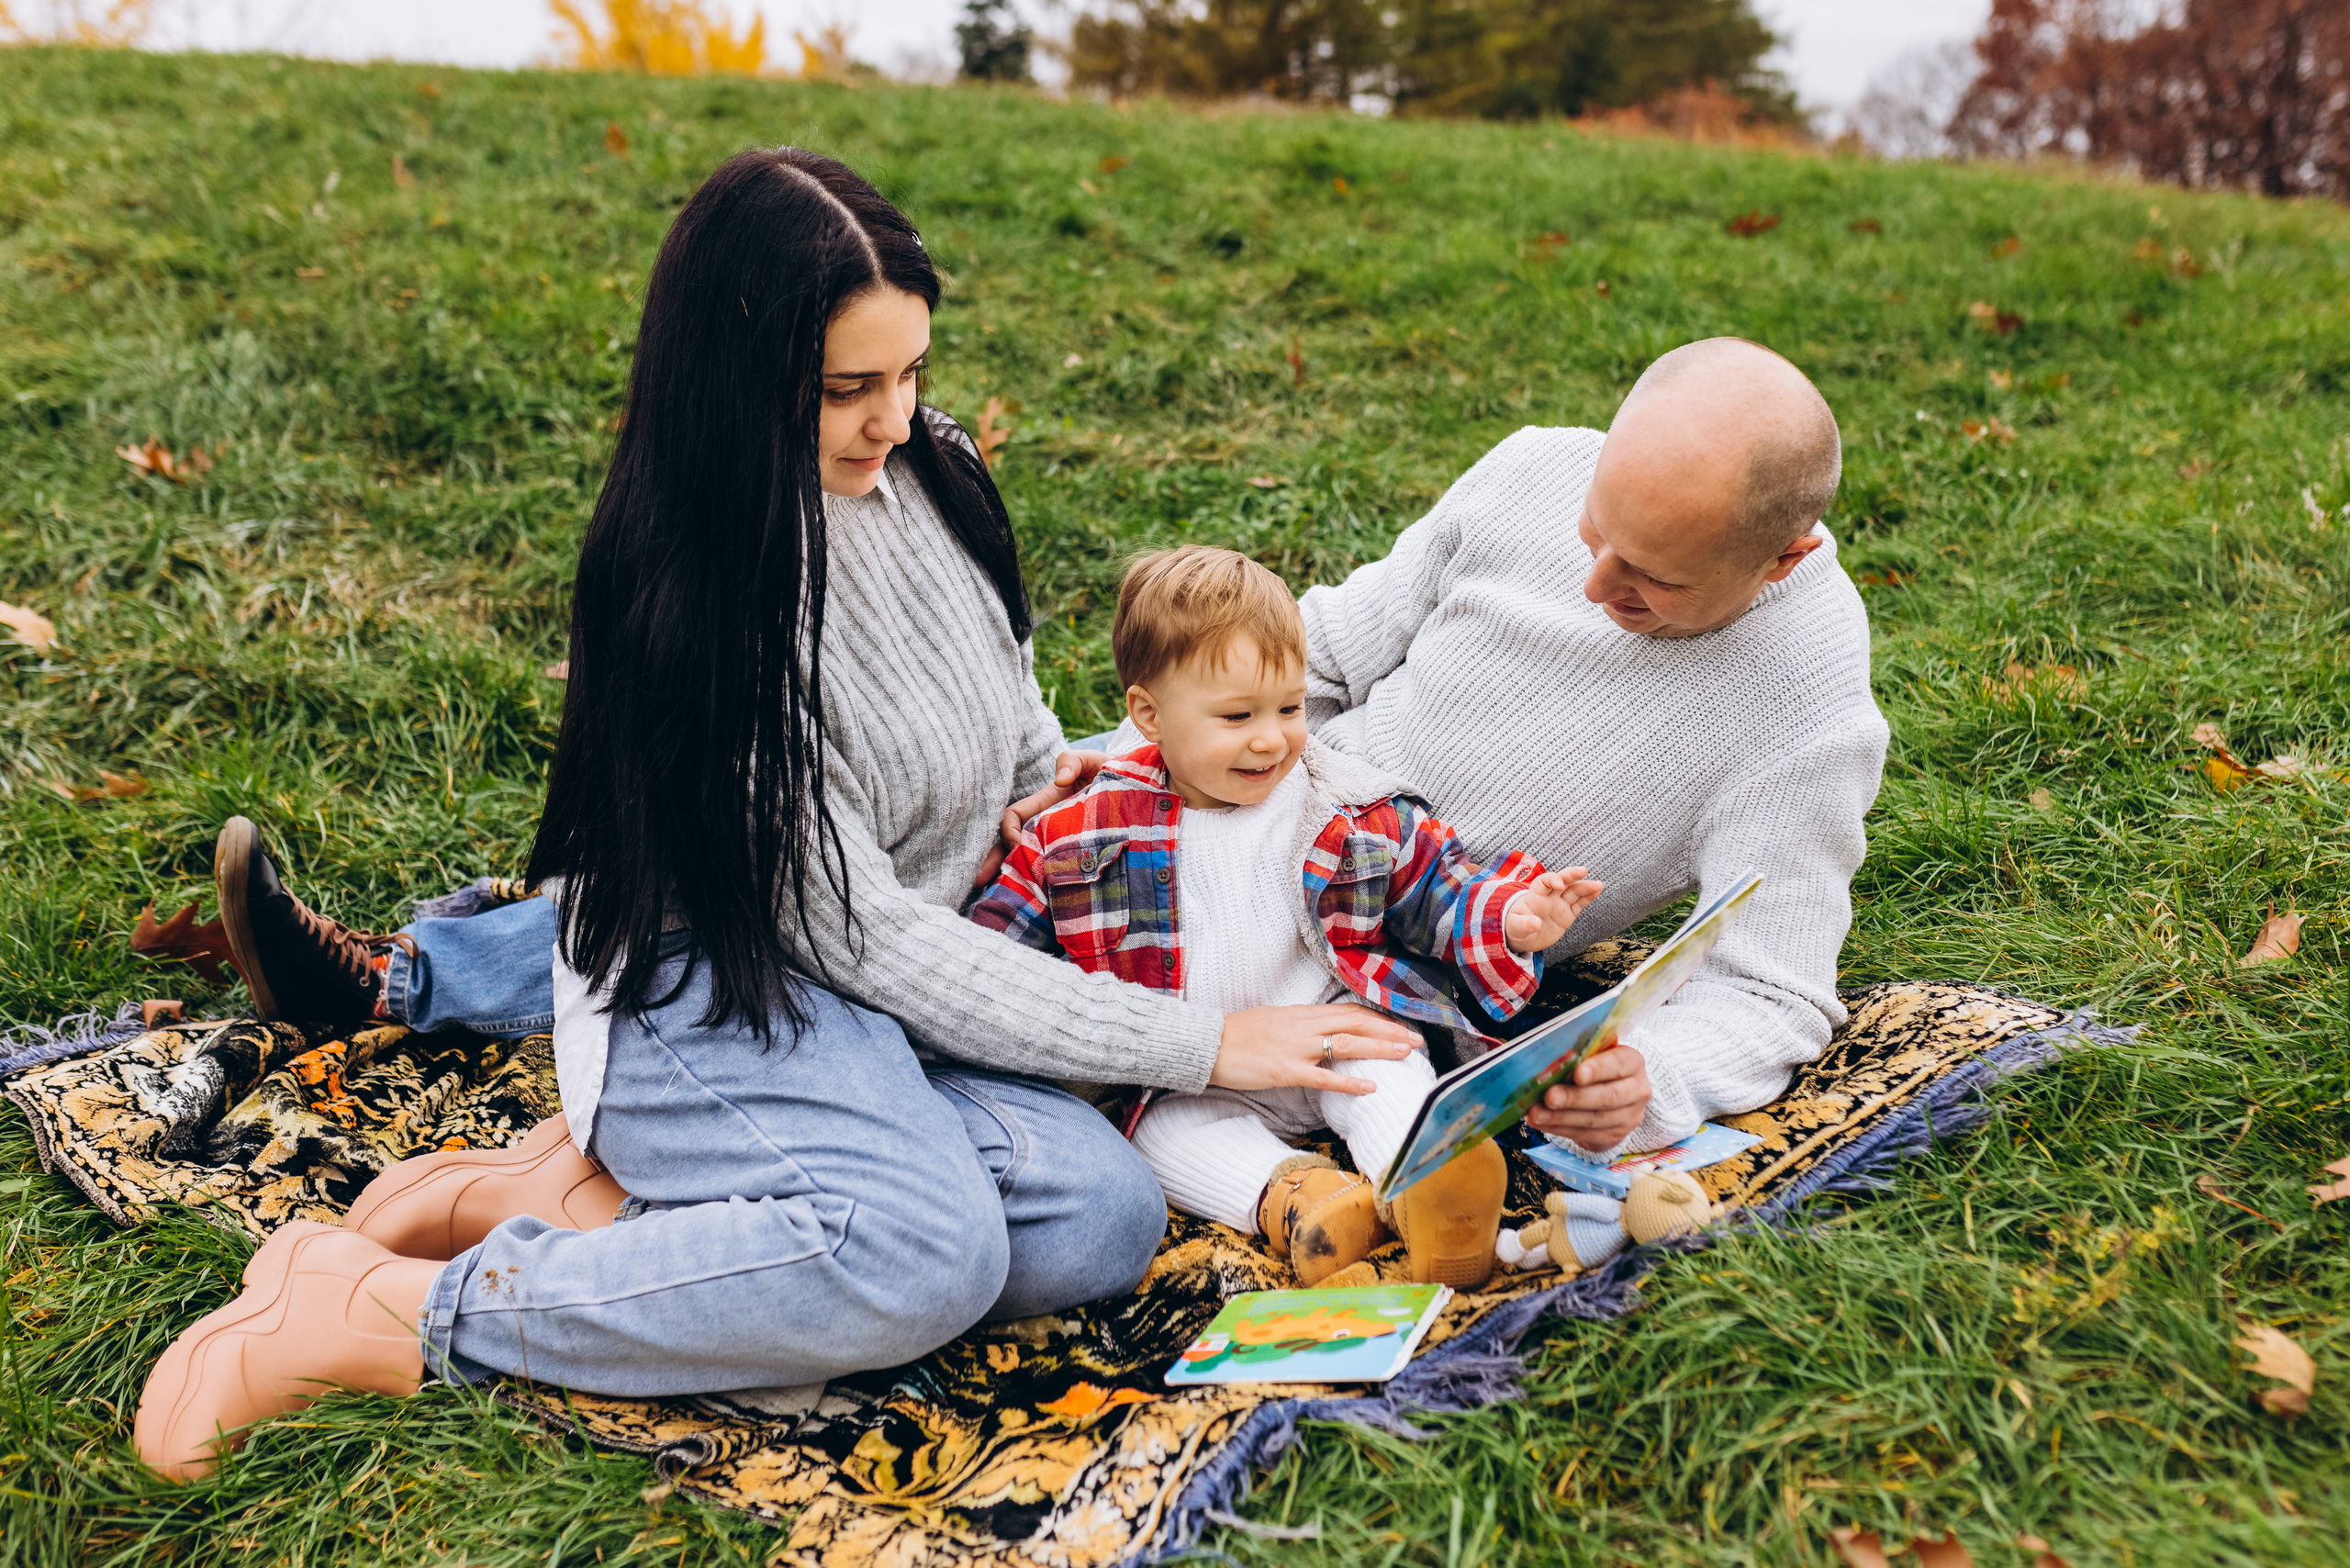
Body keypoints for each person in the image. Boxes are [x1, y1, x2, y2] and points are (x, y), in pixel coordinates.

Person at [133, 148, 1421, 1480]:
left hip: (890, 1007)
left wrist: (1099, 790)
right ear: (736, 382)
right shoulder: (703, 592)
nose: (894, 420)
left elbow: (1012, 718)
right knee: (928, 1251)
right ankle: (386, 1309)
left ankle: (595, 1202)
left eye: (912, 373)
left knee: (1101, 1217)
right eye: (845, 390)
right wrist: (1206, 1042)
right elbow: (860, 937)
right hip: (717, 992)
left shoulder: (937, 477)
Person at [1299, 337, 1890, 1169]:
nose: (1593, 586)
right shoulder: (1532, 466)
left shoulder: (1808, 711)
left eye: (1654, 578)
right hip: (1247, 796)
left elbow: (1771, 988)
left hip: (1376, 971)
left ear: (1781, 560)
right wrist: (1152, 764)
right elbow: (1318, 652)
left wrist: (1652, 1079)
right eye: (1594, 528)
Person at [969, 546, 1603, 1289]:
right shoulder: (1076, 836)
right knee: (1163, 1136)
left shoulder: (1345, 809)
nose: (1271, 738)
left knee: (1390, 1065)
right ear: (1148, 716)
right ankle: (1301, 1200)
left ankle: (1427, 1178)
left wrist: (1510, 919)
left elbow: (1438, 889)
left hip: (1332, 1031)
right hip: (1186, 1069)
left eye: (1289, 708)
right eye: (1237, 716)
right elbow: (997, 960)